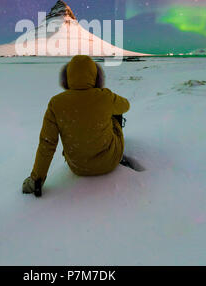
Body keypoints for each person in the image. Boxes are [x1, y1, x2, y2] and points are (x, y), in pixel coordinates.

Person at [22, 54, 130, 194]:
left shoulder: (56, 103)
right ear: (96, 76)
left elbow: (47, 143)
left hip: (78, 167)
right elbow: (126, 106)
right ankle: (115, 152)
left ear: (67, 77)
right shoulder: (105, 96)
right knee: (115, 114)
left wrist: (36, 179)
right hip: (110, 162)